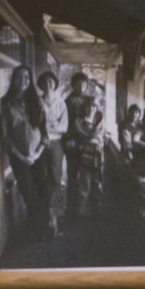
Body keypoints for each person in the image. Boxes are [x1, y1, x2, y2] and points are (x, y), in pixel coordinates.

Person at [0, 65, 46, 235]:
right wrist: (22, 157)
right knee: (29, 193)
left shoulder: (36, 102)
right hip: (18, 158)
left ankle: (47, 227)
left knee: (43, 190)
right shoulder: (5, 104)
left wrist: (37, 153)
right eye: (19, 77)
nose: (23, 81)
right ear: (13, 80)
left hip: (38, 155)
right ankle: (37, 231)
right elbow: (5, 137)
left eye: (27, 77)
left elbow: (44, 132)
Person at [35, 71, 68, 234]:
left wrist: (49, 125)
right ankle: (44, 216)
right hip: (39, 143)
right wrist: (50, 124)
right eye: (45, 82)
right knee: (41, 177)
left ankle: (54, 215)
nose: (48, 85)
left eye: (51, 82)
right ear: (41, 85)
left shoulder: (60, 103)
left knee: (55, 178)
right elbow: (34, 123)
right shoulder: (37, 102)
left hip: (55, 143)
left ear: (55, 85)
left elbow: (65, 126)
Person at [62, 71, 91, 215]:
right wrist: (68, 139)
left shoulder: (91, 101)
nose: (81, 86)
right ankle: (71, 207)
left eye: (84, 83)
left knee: (86, 176)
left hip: (88, 144)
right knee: (72, 175)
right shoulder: (66, 102)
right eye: (78, 83)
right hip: (72, 143)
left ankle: (85, 209)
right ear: (73, 85)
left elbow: (96, 121)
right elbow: (65, 123)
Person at [72, 95, 104, 217]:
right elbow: (83, 138)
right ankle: (83, 214)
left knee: (97, 183)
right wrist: (91, 140)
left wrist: (95, 140)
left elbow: (100, 137)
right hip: (85, 156)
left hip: (98, 156)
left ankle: (97, 211)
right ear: (85, 107)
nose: (91, 109)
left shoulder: (99, 121)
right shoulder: (79, 122)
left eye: (94, 106)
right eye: (89, 106)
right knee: (84, 184)